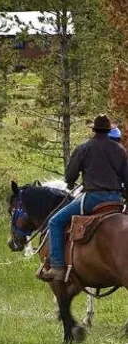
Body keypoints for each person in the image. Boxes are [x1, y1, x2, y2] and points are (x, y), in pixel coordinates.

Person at [40, 114, 128, 282]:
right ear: (108, 130)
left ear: (94, 129)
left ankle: (57, 267)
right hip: (116, 200)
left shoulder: (84, 148)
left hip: (92, 198)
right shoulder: (120, 150)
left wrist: (72, 182)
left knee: (55, 222)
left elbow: (70, 176)